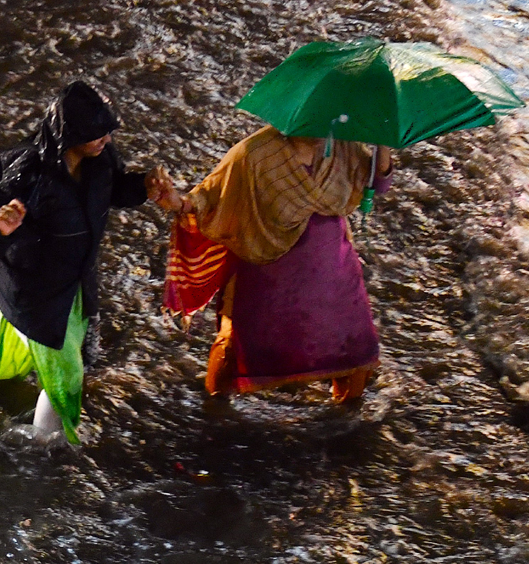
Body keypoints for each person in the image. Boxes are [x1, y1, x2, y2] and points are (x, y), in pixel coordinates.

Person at [0, 81, 168, 443]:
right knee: (67, 376)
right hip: (34, 293)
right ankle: (44, 441)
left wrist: (144, 186)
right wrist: (1, 226)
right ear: (70, 134)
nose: (105, 139)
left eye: (107, 132)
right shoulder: (25, 173)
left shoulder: (100, 161)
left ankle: (12, 414)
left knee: (78, 359)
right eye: (96, 134)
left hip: (73, 284)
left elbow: (116, 189)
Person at [152, 125, 393, 403]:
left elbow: (376, 185)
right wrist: (177, 202)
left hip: (332, 270)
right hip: (267, 270)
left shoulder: (343, 145)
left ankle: (347, 420)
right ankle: (214, 412)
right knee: (238, 348)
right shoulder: (253, 154)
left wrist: (382, 144)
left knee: (353, 352)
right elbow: (208, 199)